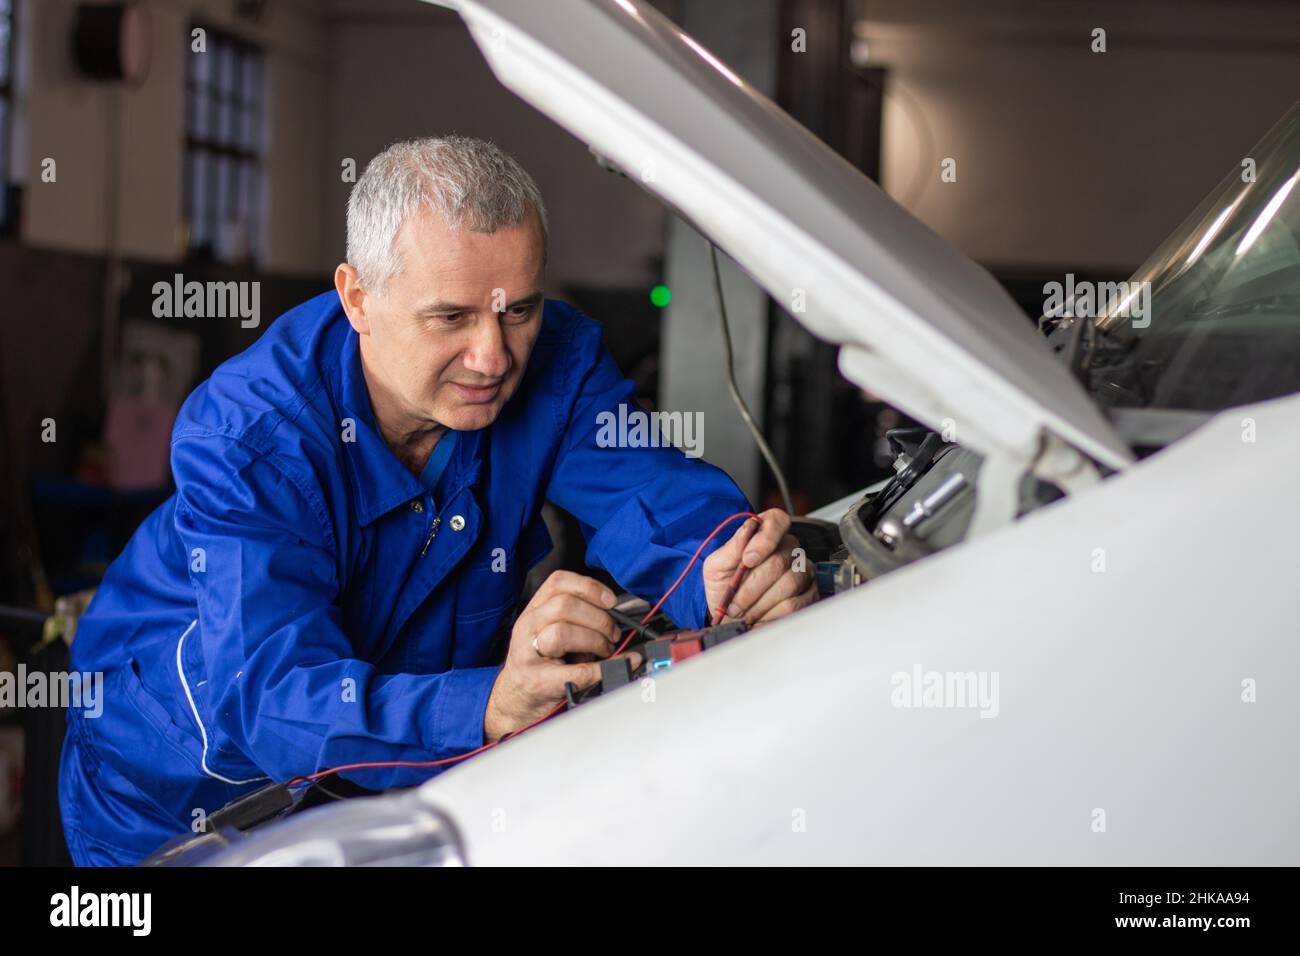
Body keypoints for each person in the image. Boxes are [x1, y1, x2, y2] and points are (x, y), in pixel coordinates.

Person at [58, 136, 817, 865]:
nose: (493, 357)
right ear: (358, 298)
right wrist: (487, 705)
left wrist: (723, 563)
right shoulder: (251, 435)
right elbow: (272, 694)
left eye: (517, 309)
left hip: (397, 782)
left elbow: (648, 493)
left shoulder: (556, 362)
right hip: (173, 802)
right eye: (451, 317)